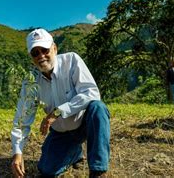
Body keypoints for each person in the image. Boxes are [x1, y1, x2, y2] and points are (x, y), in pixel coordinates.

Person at [10, 29, 110, 177]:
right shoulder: (31, 82)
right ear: (31, 57)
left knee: (98, 108)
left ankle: (98, 170)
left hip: (84, 124)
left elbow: (91, 92)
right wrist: (17, 153)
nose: (41, 56)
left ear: (54, 48)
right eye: (35, 53)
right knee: (47, 170)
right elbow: (22, 119)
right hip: (61, 132)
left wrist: (58, 112)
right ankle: (75, 153)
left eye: (44, 50)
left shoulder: (72, 61)